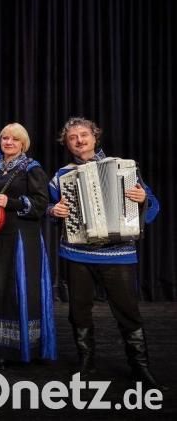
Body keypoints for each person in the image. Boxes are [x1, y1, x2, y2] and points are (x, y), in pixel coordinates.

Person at [48, 117, 165, 390]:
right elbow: (49, 208)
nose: (79, 140)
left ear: (95, 137)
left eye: (84, 134)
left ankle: (140, 368)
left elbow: (154, 205)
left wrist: (143, 199)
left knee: (128, 312)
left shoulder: (124, 168)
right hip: (77, 253)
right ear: (66, 144)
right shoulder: (61, 176)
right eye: (73, 137)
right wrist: (53, 211)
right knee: (79, 311)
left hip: (118, 253)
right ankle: (86, 363)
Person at [0, 123, 56, 369]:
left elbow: (42, 205)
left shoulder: (32, 168)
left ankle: (26, 347)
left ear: (23, 144)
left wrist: (11, 202)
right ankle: (0, 348)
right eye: (5, 138)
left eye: (14, 139)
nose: (9, 142)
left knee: (21, 288)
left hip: (24, 239)